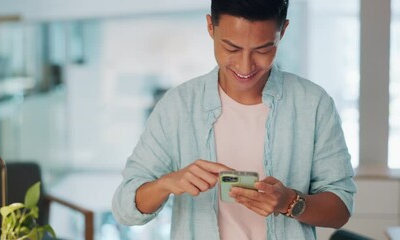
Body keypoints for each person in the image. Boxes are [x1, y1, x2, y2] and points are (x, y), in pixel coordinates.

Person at [112, 0, 356, 239]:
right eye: (231, 48)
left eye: (262, 49)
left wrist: (288, 201)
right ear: (210, 27)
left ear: (283, 31)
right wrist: (165, 184)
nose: (245, 65)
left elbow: (340, 209)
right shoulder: (178, 106)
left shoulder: (312, 103)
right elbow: (125, 209)